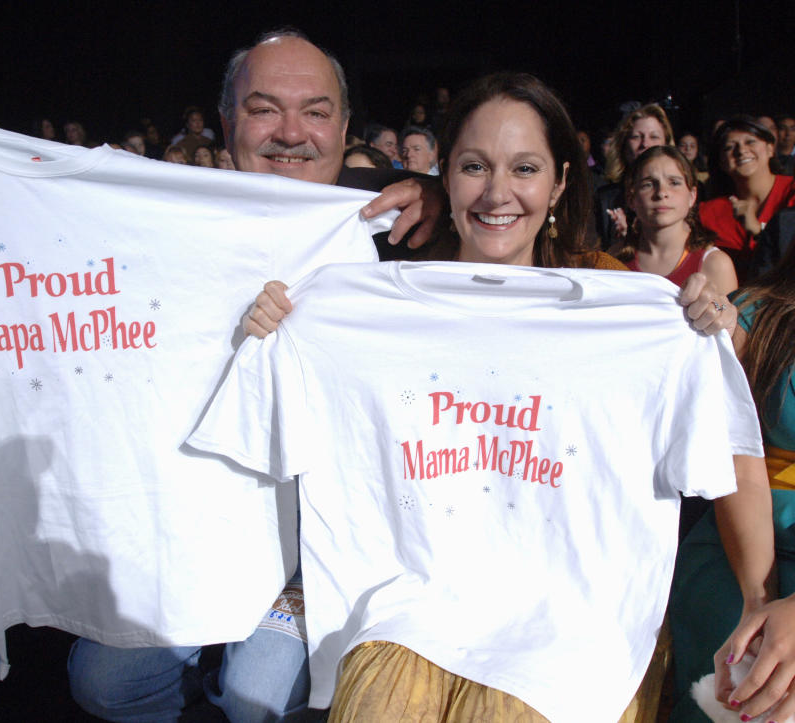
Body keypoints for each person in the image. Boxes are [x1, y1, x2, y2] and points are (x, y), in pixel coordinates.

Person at [0, 28, 447, 723]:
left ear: (344, 127)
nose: (291, 131)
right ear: (227, 120)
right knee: (105, 682)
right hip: (196, 535)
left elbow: (485, 211)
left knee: (256, 693)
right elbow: (11, 223)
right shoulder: (145, 220)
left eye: (315, 111)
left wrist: (436, 195)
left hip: (322, 555)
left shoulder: (384, 219)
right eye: (264, 108)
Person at [239, 72, 764, 723]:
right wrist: (273, 327)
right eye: (472, 166)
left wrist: (713, 334)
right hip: (409, 607)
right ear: (443, 178)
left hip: (570, 621)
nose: (496, 190)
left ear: (561, 182)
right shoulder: (368, 298)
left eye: (524, 167)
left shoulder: (622, 306)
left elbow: (731, 452)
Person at [669, 237, 795, 722]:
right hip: (746, 548)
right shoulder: (755, 317)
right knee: (734, 670)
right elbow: (738, 457)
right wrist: (757, 603)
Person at [610, 146, 736, 293]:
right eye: (648, 184)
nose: (662, 193)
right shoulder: (614, 258)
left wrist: (718, 307)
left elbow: (728, 313)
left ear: (692, 196)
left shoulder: (715, 263)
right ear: (631, 198)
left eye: (674, 183)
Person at [698, 116, 795, 281]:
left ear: (771, 149)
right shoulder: (707, 213)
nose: (741, 150)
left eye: (750, 142)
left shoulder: (791, 192)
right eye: (729, 147)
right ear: (721, 161)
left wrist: (758, 231)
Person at [595, 104, 674, 247]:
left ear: (667, 145)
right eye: (636, 137)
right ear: (624, 145)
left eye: (654, 136)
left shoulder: (680, 193)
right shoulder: (605, 198)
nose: (645, 143)